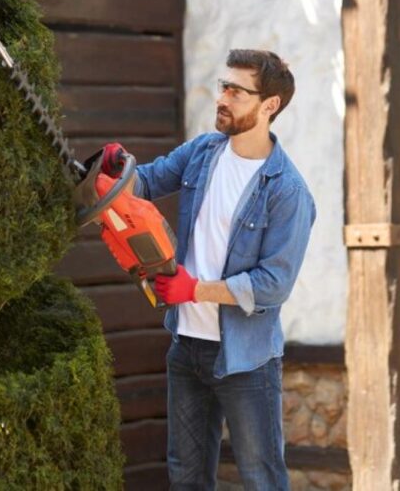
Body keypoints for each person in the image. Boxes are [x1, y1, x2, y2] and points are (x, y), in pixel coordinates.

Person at [99, 49, 316, 491]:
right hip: (187, 347)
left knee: (262, 479)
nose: (224, 97)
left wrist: (194, 289)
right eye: (224, 86)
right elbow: (149, 181)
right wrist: (117, 169)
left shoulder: (288, 190)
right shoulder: (203, 151)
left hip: (246, 360)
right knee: (187, 476)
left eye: (237, 91)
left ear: (269, 105)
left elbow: (273, 285)